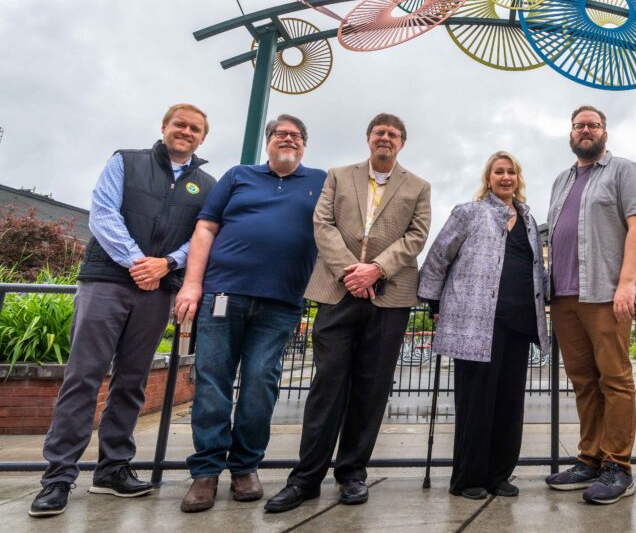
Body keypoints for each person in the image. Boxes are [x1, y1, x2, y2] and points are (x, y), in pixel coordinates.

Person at [30, 104, 214, 518]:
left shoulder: (206, 184)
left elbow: (203, 235)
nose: (186, 131)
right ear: (164, 127)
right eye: (180, 124)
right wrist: (139, 263)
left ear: (203, 137)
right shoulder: (125, 162)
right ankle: (57, 477)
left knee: (131, 382)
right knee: (83, 377)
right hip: (108, 283)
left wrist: (165, 264)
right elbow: (103, 214)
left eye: (195, 128)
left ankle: (112, 469)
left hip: (156, 290)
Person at [266, 113, 431, 513]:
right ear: (368, 138)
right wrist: (350, 272)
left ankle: (352, 473)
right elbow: (322, 224)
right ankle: (306, 478)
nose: (385, 139)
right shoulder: (338, 175)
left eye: (393, 134)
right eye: (379, 133)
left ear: (401, 143)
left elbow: (417, 235)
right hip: (337, 293)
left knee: (371, 390)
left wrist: (376, 269)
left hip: (389, 297)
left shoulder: (419, 186)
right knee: (328, 386)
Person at [174, 115, 326, 513]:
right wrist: (192, 284)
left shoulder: (320, 181)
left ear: (304, 145)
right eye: (280, 134)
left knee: (261, 381)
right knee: (212, 380)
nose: (287, 139)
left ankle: (245, 466)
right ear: (269, 142)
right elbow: (205, 228)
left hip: (280, 301)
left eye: (295, 134)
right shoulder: (239, 175)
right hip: (223, 294)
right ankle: (205, 472)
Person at [418, 151, 549, 499]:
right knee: (477, 401)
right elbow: (437, 257)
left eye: (511, 172)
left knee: (509, 403)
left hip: (519, 323)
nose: (505, 177)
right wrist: (433, 303)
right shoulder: (469, 213)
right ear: (488, 178)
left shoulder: (530, 221)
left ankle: (498, 474)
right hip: (475, 323)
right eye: (498, 172)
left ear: (518, 178)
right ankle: (468, 478)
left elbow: (537, 270)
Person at [543, 106, 636, 505]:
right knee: (584, 381)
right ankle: (589, 458)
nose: (585, 130)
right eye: (579, 125)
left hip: (604, 293)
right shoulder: (560, 179)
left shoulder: (624, 170)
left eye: (592, 125)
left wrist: (627, 283)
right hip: (565, 296)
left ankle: (618, 467)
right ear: (570, 133)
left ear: (605, 132)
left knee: (615, 380)